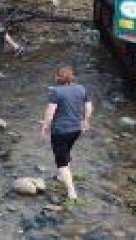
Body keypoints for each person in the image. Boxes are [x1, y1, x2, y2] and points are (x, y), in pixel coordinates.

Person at [40, 65, 93, 203]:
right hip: (76, 129)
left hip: (60, 131)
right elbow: (88, 106)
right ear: (72, 76)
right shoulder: (81, 89)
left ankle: (71, 192)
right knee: (66, 150)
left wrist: (45, 125)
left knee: (61, 161)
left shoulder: (56, 92)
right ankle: (62, 176)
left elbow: (50, 111)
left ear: (58, 77)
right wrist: (86, 120)